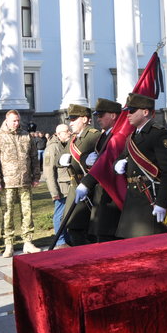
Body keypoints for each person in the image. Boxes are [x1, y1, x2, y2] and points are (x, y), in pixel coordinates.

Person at [112, 93, 167, 238]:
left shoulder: (159, 134)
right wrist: (117, 164)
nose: (128, 114)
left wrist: (162, 203)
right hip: (133, 201)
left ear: (145, 112)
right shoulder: (132, 137)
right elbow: (121, 158)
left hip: (151, 199)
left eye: (132, 110)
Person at [71, 98, 128, 241]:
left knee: (109, 237)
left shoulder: (117, 136)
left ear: (113, 116)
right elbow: (91, 155)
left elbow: (107, 161)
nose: (98, 118)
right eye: (97, 115)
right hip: (100, 194)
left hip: (112, 194)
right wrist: (86, 159)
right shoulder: (104, 135)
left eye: (101, 115)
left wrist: (86, 182)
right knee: (100, 235)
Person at [0, 110, 41, 257]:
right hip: (7, 182)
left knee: (27, 212)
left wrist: (36, 176)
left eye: (18, 120)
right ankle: (8, 243)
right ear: (7, 120)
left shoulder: (25, 135)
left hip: (25, 181)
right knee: (7, 213)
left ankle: (28, 242)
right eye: (14, 121)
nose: (16, 123)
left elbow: (34, 157)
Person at [62, 104, 102, 246]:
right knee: (73, 228)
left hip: (87, 188)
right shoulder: (74, 139)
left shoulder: (93, 135)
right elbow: (62, 157)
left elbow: (98, 160)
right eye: (70, 119)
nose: (70, 123)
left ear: (85, 119)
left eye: (74, 119)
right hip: (74, 187)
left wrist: (85, 160)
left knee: (81, 230)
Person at [44, 124, 72, 247]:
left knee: (66, 214)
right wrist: (54, 192)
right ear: (58, 134)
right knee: (59, 214)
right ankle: (60, 241)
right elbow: (48, 172)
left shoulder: (63, 144)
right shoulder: (53, 147)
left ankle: (66, 239)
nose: (69, 133)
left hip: (68, 186)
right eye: (66, 131)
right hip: (61, 188)